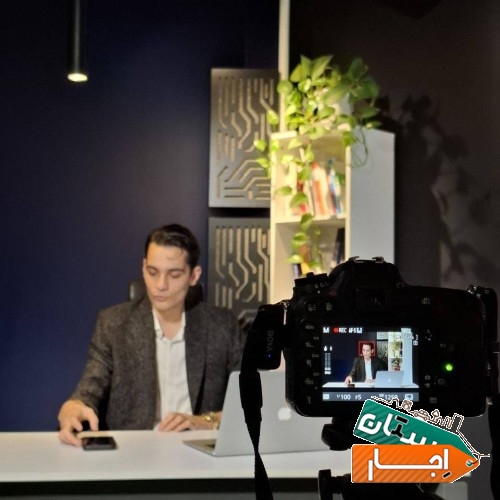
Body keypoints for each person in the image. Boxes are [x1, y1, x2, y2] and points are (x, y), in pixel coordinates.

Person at [58, 224, 245, 446]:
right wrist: (72, 408)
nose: (160, 285)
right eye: (153, 272)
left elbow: (252, 400)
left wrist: (205, 421)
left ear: (194, 276)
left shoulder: (222, 325)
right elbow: (89, 387)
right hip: (134, 451)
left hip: (199, 449)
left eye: (174, 274)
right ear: (143, 268)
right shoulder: (114, 324)